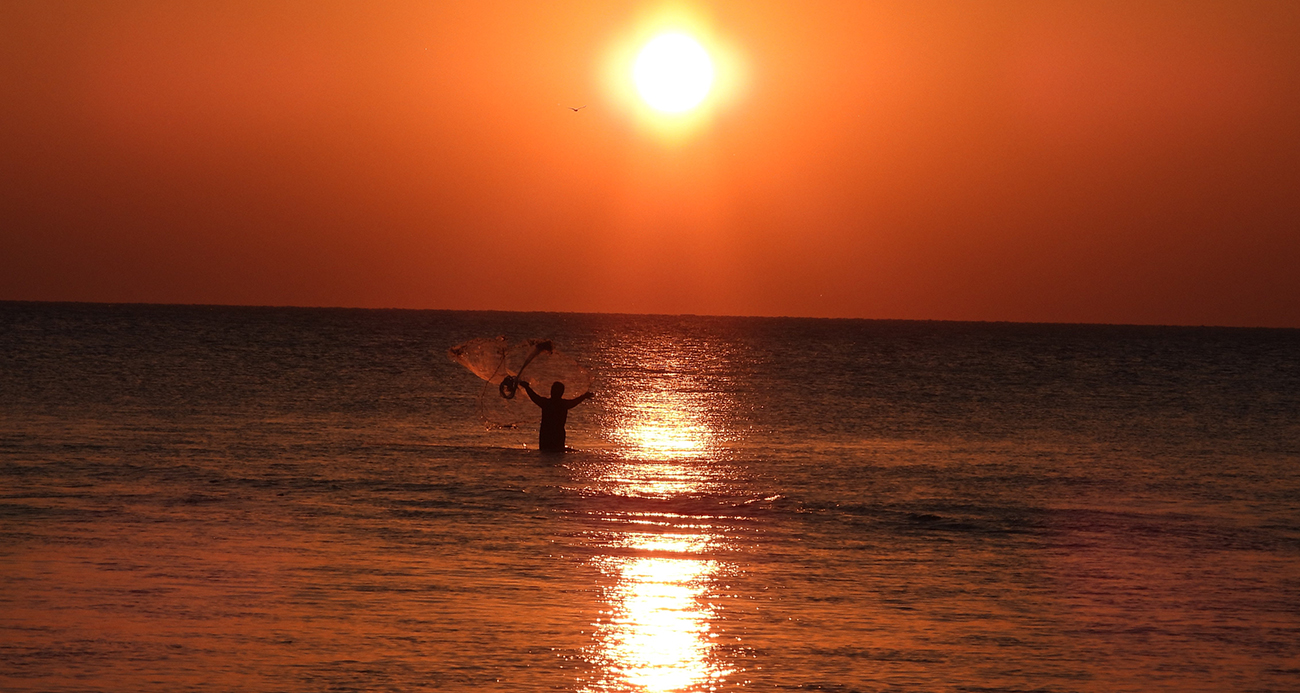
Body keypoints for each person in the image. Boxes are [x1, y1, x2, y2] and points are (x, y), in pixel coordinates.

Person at [519, 380, 594, 452]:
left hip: (546, 435)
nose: (552, 391)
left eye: (553, 390)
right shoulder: (563, 404)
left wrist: (527, 387)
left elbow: (534, 397)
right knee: (558, 451)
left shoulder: (546, 403)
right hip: (557, 435)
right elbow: (575, 401)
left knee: (546, 452)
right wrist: (584, 396)